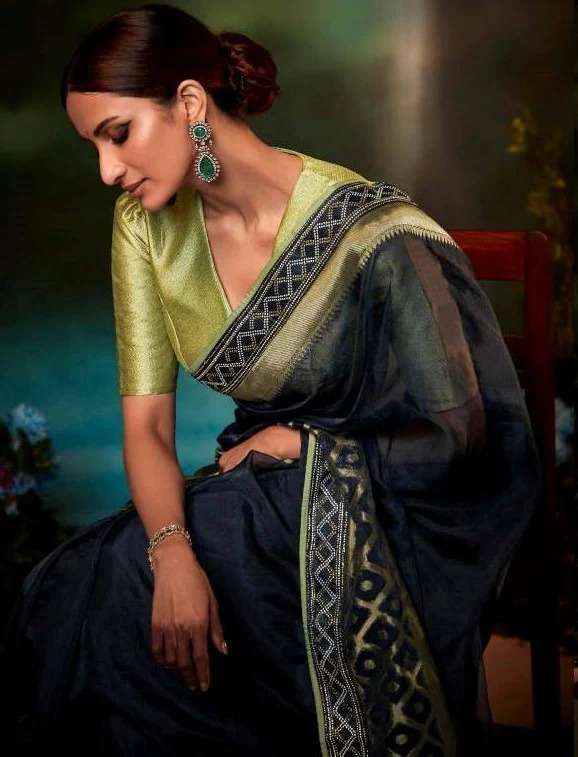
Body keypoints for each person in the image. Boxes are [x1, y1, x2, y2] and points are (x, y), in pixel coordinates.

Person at [3, 3, 541, 756]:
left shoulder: (373, 233)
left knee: (112, 588)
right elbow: (147, 428)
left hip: (393, 505)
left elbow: (461, 437)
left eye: (117, 133)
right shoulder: (143, 227)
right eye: (93, 144)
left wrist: (302, 443)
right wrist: (173, 552)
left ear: (190, 103)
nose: (108, 170)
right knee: (91, 582)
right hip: (254, 491)